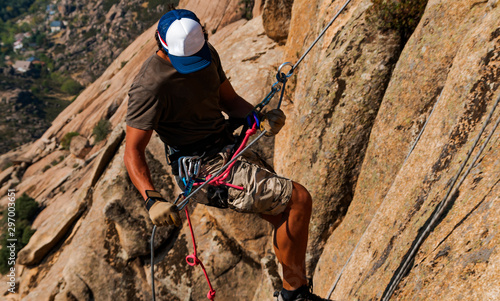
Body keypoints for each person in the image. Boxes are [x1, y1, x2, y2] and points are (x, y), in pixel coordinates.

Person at [124, 9, 327, 301]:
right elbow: (133, 150)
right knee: (298, 200)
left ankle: (292, 293)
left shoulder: (204, 53)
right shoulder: (150, 86)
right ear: (161, 45)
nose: (192, 66)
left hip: (225, 146)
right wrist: (151, 198)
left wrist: (257, 119)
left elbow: (228, 100)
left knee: (285, 214)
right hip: (203, 170)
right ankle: (296, 294)